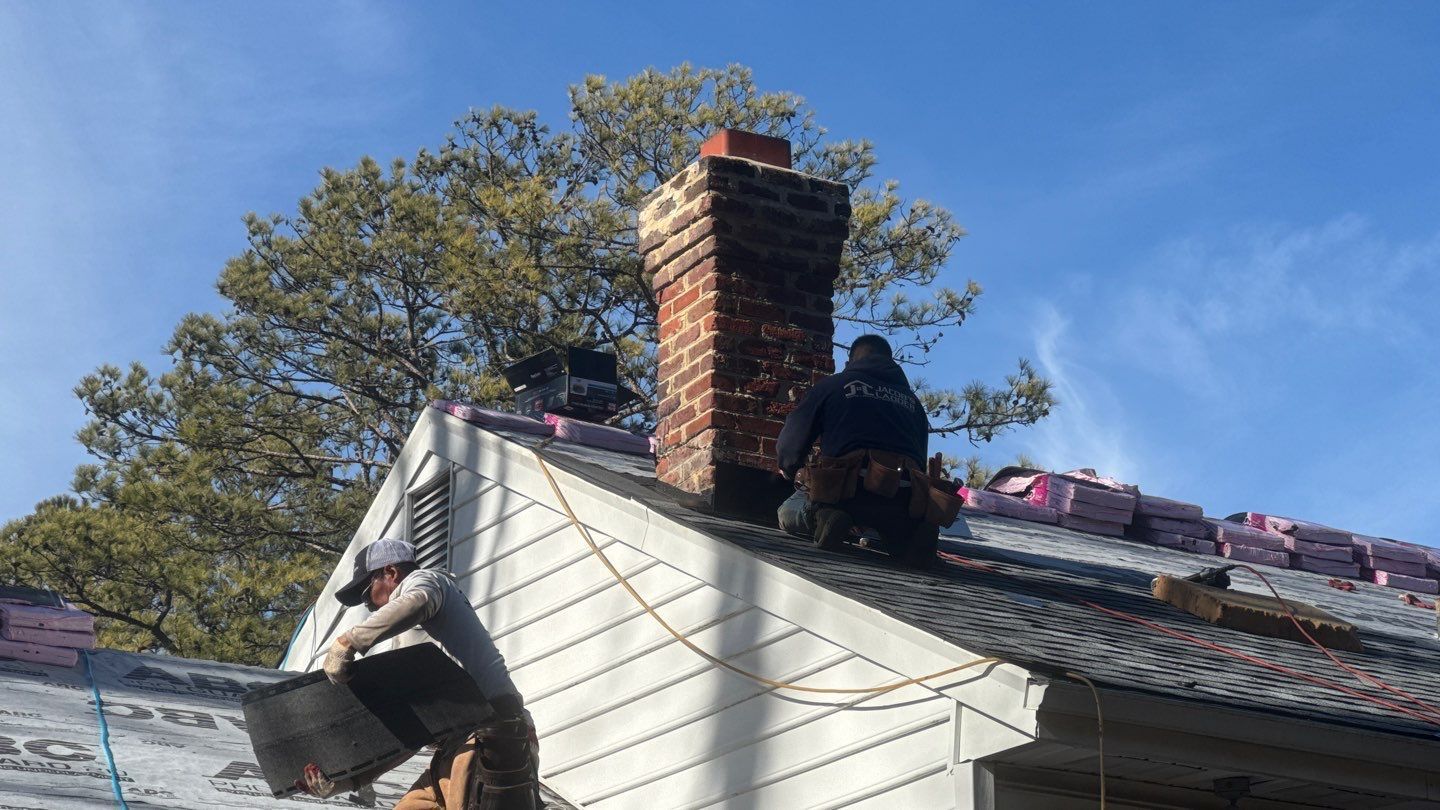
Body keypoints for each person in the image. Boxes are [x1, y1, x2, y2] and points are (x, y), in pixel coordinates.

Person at [296, 538, 538, 809]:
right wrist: (349, 781)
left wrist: (349, 641)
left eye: (367, 594)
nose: (370, 606)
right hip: (454, 749)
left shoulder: (430, 582)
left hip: (494, 736)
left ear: (391, 573)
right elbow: (411, 730)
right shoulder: (415, 643)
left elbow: (419, 601)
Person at [775, 334, 956, 568]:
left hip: (845, 495)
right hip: (901, 504)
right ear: (891, 363)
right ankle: (911, 539)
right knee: (896, 532)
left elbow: (791, 444)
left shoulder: (834, 386)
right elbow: (920, 463)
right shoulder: (914, 404)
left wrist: (790, 471)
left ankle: (824, 518)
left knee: (787, 511)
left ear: (851, 362)